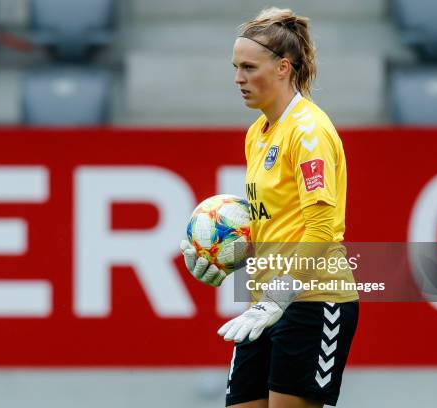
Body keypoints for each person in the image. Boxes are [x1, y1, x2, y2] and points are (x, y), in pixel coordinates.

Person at [180, 7, 360, 408]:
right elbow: (273, 221)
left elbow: (321, 230)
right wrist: (229, 253)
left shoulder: (308, 132)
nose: (238, 79)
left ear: (282, 68)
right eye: (235, 67)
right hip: (264, 305)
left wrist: (278, 296)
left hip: (313, 301)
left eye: (248, 67)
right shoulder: (257, 133)